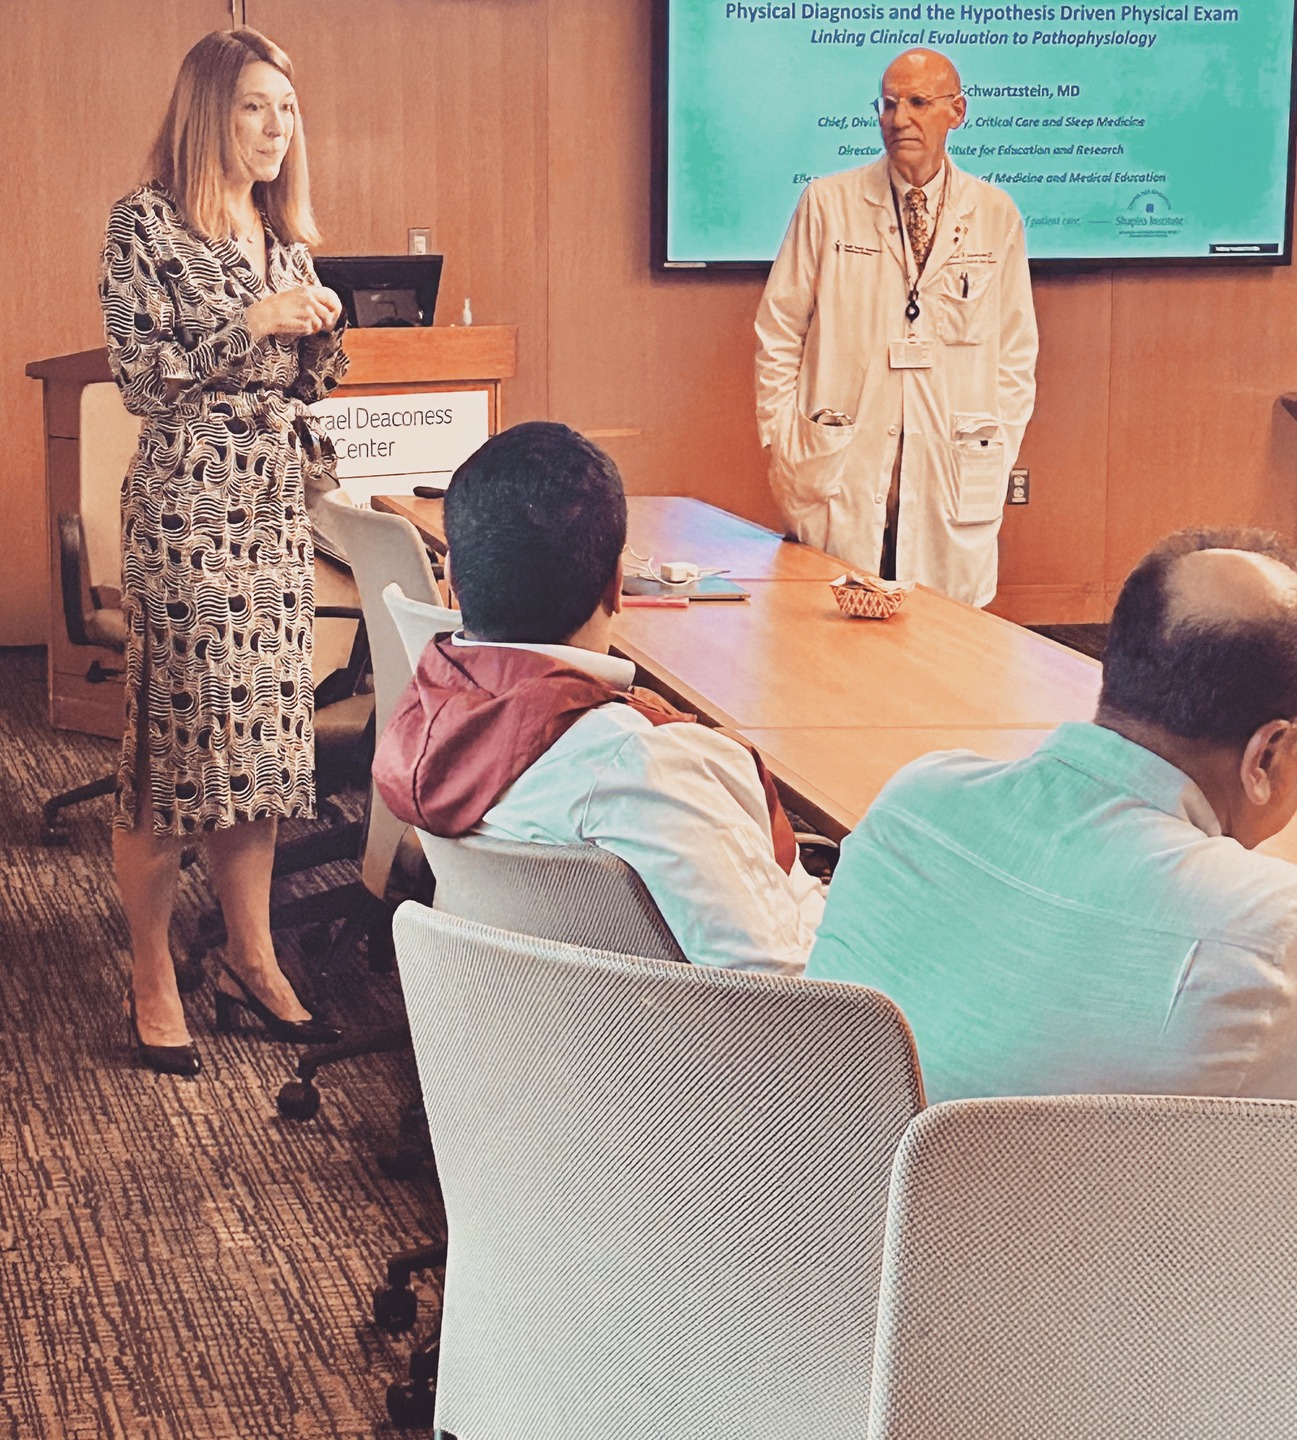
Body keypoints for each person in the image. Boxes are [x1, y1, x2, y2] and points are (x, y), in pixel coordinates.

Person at [807, 529, 1297, 1112]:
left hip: (807, 1188)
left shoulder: (917, 799)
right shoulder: (1275, 930)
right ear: (1268, 754)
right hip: (1041, 1205)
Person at [101, 27, 347, 1075]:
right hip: (188, 518)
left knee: (261, 753)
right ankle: (152, 976)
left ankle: (252, 956)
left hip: (272, 515)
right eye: (255, 106)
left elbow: (303, 382)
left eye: (286, 109)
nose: (276, 128)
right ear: (210, 111)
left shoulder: (279, 229)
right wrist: (254, 321)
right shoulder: (144, 223)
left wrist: (319, 331)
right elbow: (141, 379)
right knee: (176, 752)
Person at [372, 422, 823, 975]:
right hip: (674, 1026)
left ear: (452, 579)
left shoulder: (424, 713)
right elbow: (787, 983)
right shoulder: (639, 765)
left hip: (525, 1009)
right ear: (616, 585)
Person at [755, 47, 1038, 608]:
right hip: (843, 459)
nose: (899, 118)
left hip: (949, 467)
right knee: (831, 631)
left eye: (917, 102)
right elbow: (779, 330)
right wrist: (783, 438)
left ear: (957, 111)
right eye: (888, 104)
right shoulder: (828, 203)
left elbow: (1015, 352)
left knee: (945, 636)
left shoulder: (994, 213)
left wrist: (996, 449)